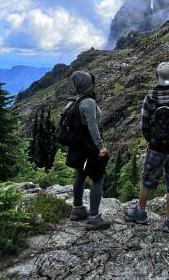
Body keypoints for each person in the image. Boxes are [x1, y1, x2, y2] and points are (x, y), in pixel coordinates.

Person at [124, 62, 169, 231]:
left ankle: (140, 212)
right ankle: (168, 221)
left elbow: (144, 123)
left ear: (158, 76)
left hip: (155, 147)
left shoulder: (150, 97)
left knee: (147, 180)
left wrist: (151, 139)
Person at [67, 70, 110, 230]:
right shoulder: (89, 102)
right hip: (90, 147)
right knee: (98, 178)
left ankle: (77, 209)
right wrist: (101, 147)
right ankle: (93, 217)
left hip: (78, 146)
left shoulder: (75, 100)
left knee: (80, 174)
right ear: (87, 85)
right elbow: (92, 126)